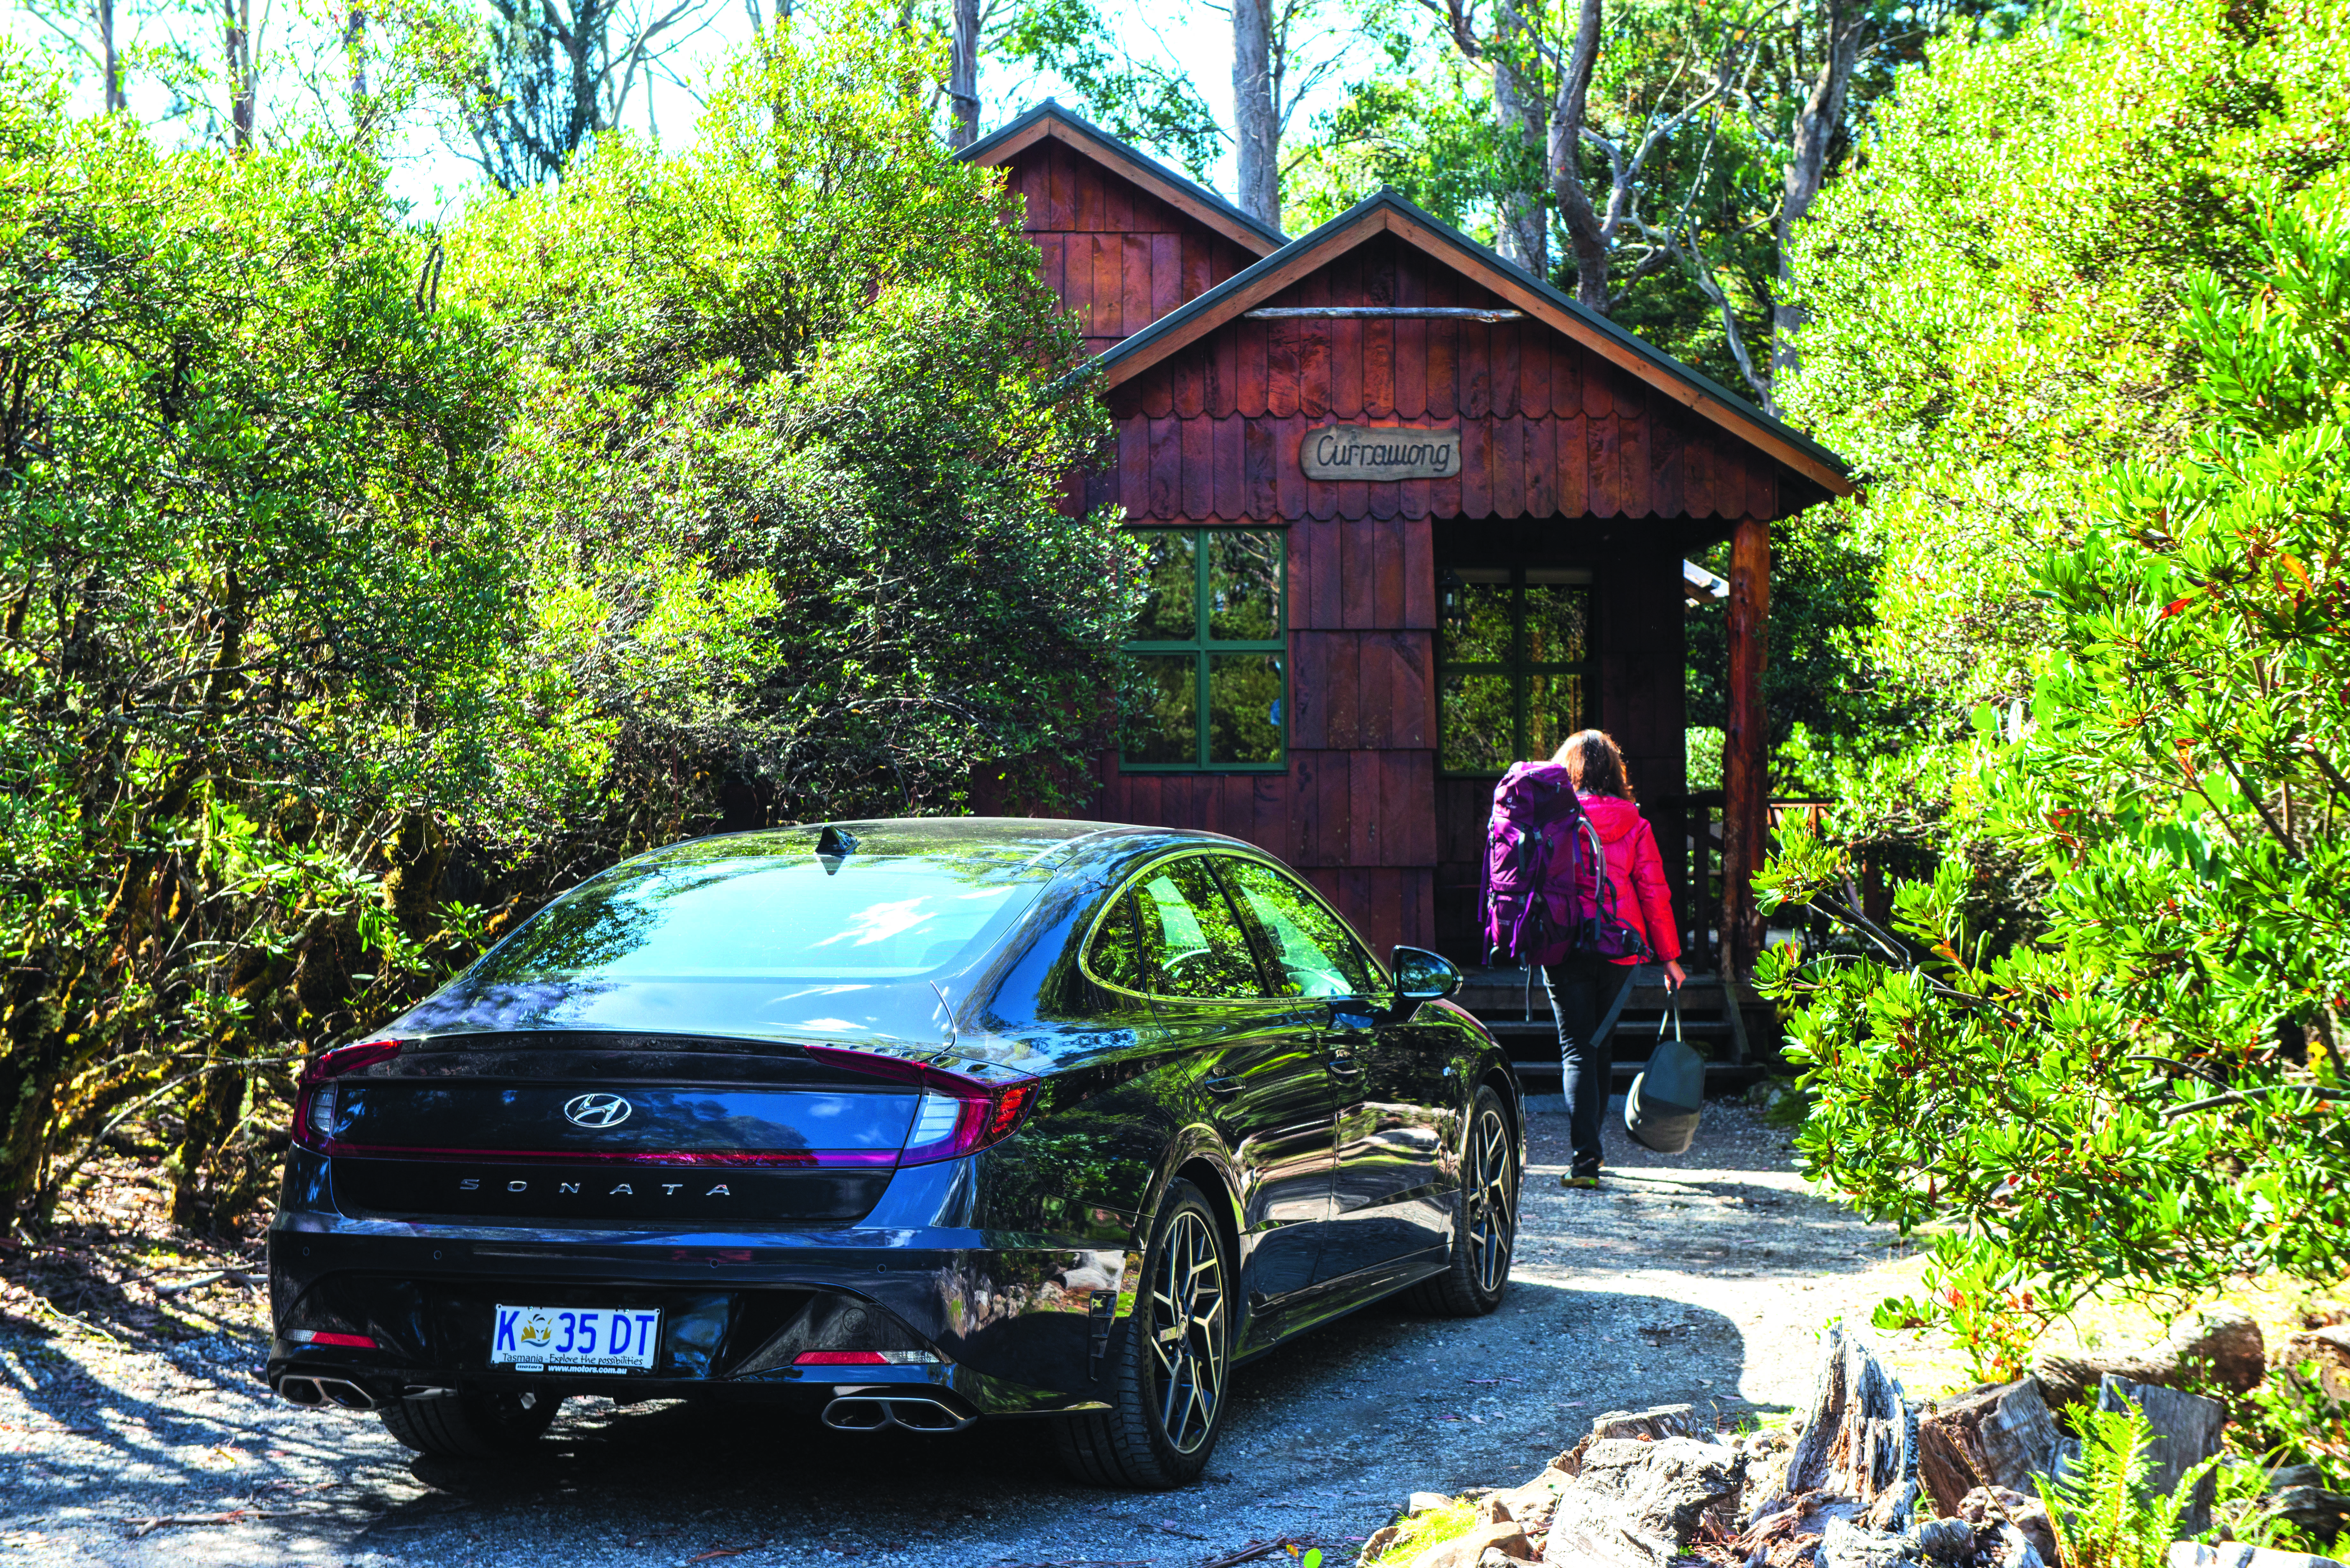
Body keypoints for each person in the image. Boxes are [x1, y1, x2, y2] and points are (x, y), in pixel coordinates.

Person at [1543, 729, 1685, 1189]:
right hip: (1620, 947)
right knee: (1599, 1047)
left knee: (1577, 1050)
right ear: (1614, 772)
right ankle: (1593, 1154)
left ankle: (1586, 1160)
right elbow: (1654, 892)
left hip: (1565, 945)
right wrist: (1669, 958)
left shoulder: (1554, 818)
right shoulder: (1635, 823)